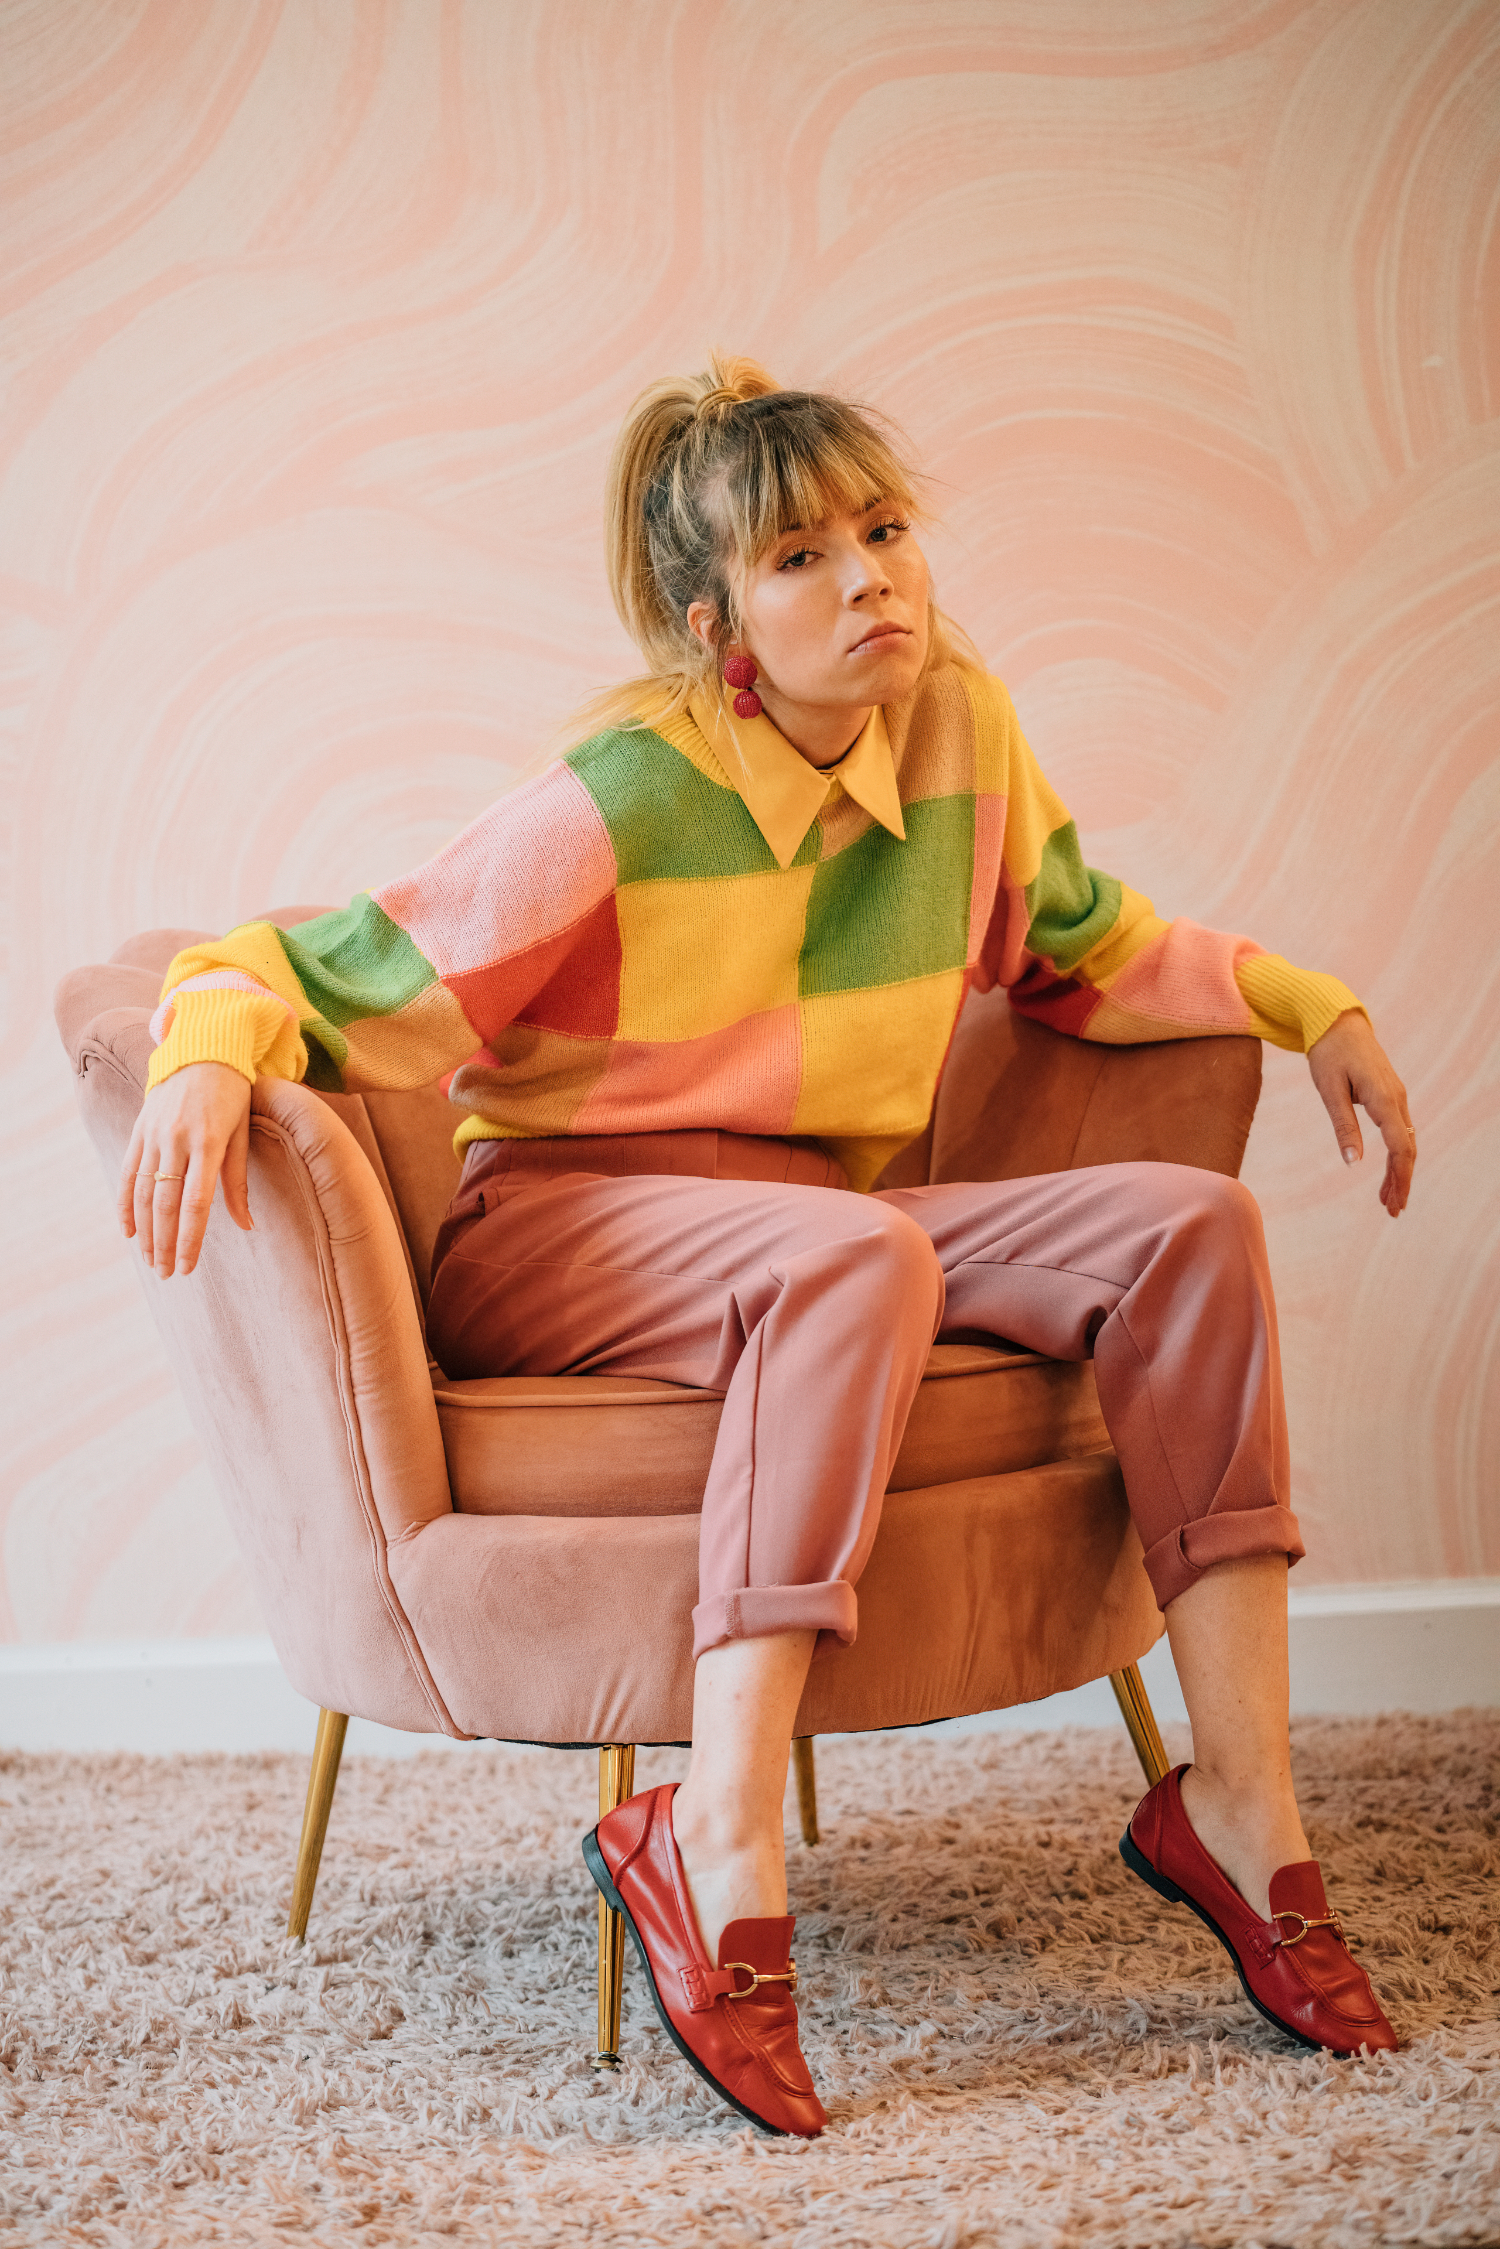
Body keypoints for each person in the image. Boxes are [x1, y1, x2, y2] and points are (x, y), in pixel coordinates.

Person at [119, 357, 1415, 2139]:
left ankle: (1241, 1807)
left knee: (1190, 1228)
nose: (871, 576)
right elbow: (334, 960)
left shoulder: (964, 723)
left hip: (823, 1222)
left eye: (886, 531)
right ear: (711, 613)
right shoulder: (627, 789)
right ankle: (708, 1837)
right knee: (851, 1261)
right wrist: (205, 1045)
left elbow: (1082, 947)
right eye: (803, 556)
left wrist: (1306, 1003)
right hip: (562, 1228)